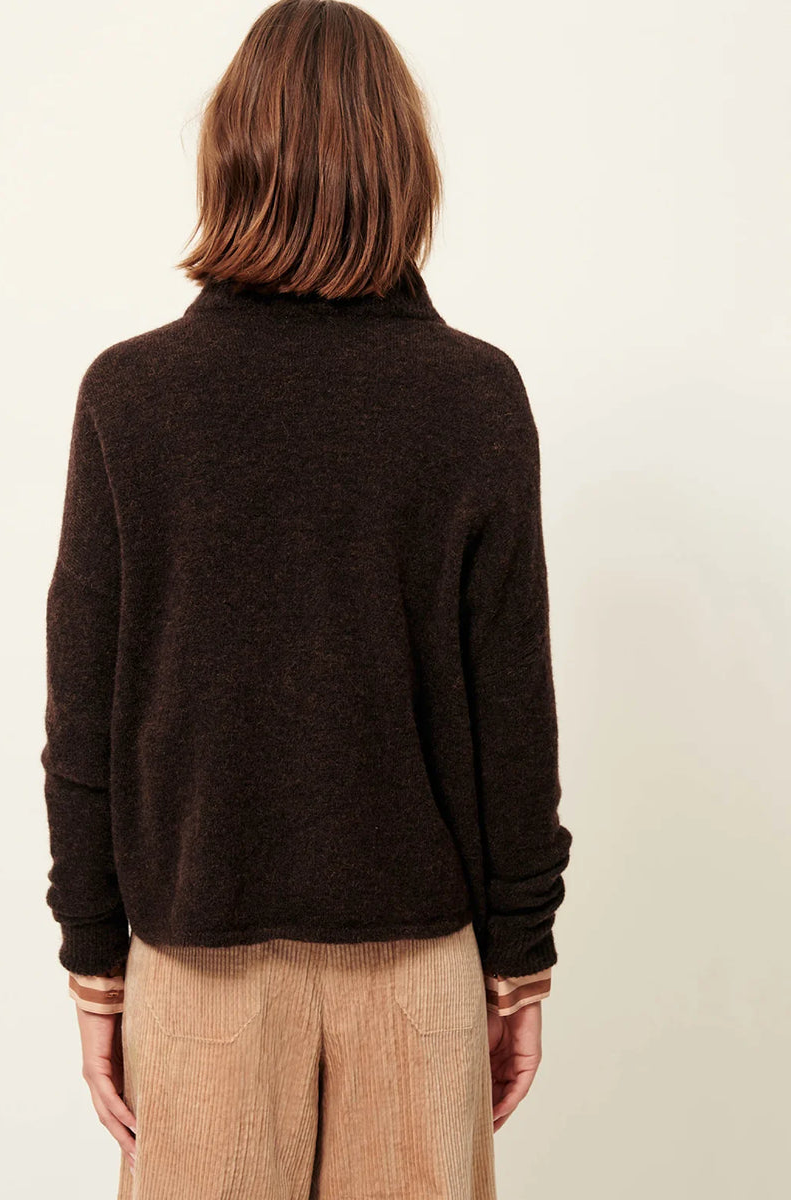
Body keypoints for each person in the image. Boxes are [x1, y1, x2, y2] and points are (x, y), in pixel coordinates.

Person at [40, 2, 572, 1196]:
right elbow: (513, 718)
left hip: (197, 974)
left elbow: (85, 717)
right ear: (403, 167)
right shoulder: (473, 398)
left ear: (229, 155)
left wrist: (95, 969)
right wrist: (521, 961)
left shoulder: (133, 398)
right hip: (418, 973)